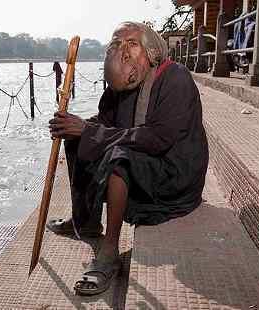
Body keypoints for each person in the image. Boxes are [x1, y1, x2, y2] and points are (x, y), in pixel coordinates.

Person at [47, 21, 209, 296]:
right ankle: (84, 220)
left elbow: (158, 139)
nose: (122, 50)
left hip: (174, 173)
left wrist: (89, 130)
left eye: (132, 43)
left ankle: (109, 252)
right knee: (78, 137)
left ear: (150, 53)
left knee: (118, 156)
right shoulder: (117, 86)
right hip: (145, 158)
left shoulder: (175, 78)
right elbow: (107, 124)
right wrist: (75, 126)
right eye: (117, 43)